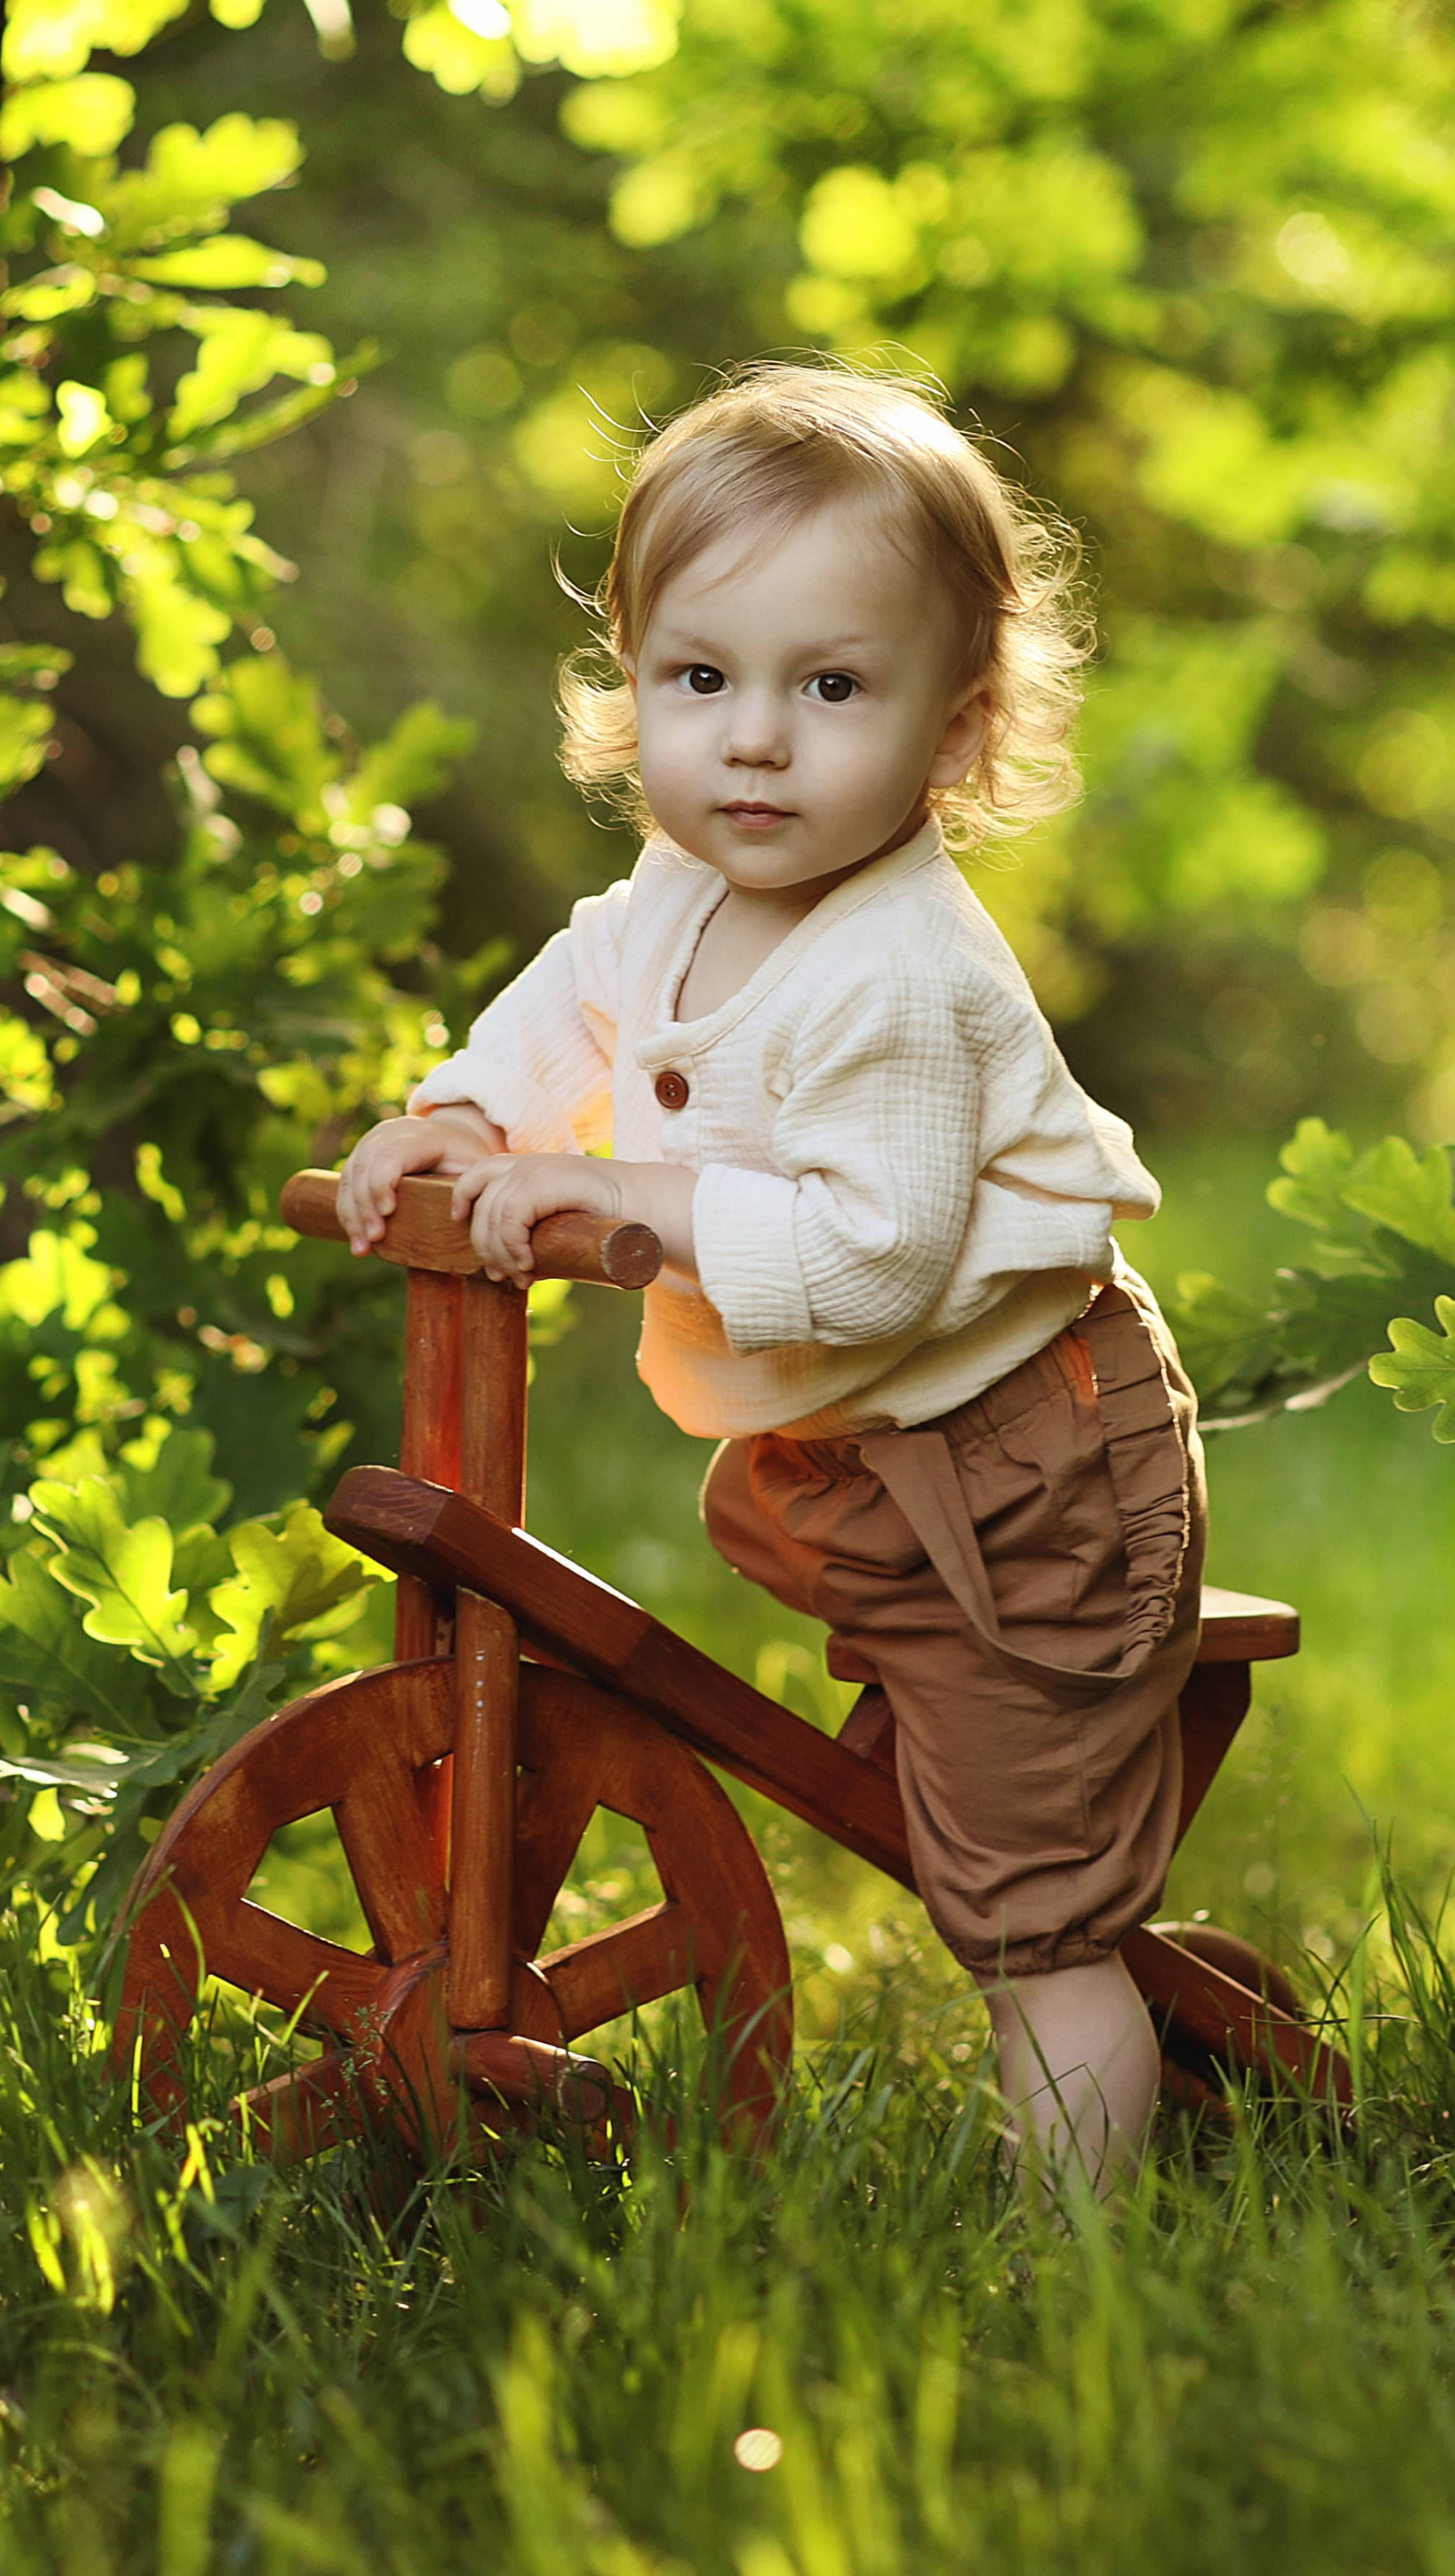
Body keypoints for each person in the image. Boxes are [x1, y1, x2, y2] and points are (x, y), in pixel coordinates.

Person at [336, 362, 1205, 2199]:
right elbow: (580, 993)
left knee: (1027, 1911)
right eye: (699, 677)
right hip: (874, 1457)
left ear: (956, 729)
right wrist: (467, 1116)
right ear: (630, 682)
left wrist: (622, 1190)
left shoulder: (896, 972)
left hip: (1023, 1466)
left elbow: (871, 1257)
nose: (750, 740)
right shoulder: (678, 884)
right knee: (937, 1808)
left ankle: (1086, 2283)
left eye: (830, 687)